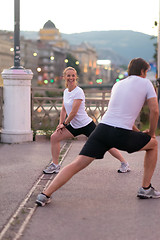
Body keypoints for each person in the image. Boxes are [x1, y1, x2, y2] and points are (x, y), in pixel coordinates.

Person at [36, 58, 160, 207]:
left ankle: (45, 194)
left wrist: (138, 132)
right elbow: (155, 110)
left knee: (77, 163)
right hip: (120, 133)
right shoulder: (146, 83)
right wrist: (151, 133)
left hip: (102, 129)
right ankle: (145, 189)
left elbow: (118, 114)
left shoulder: (118, 85)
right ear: (142, 71)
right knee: (153, 144)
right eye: (146, 72)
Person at [43, 66, 129, 174]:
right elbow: (64, 109)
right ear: (64, 77)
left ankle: (124, 163)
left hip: (86, 125)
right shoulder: (66, 92)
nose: (71, 78)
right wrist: (60, 123)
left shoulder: (78, 92)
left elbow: (73, 112)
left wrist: (64, 124)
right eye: (68, 75)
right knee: (54, 137)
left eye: (73, 75)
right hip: (74, 126)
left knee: (105, 144)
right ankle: (55, 165)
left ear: (76, 77)